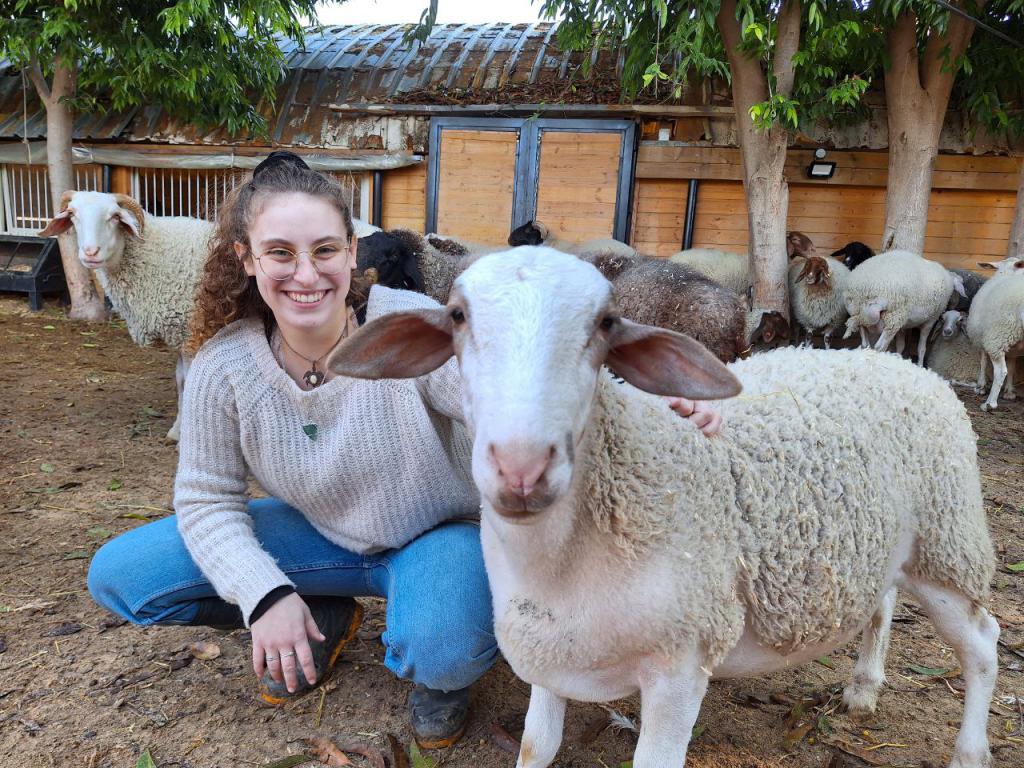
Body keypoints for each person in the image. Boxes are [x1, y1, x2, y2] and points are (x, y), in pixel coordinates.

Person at [87, 151, 722, 748]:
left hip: (432, 533)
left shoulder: (414, 326)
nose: (306, 274)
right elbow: (205, 499)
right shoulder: (221, 368)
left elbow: (504, 393)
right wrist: (264, 595)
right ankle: (317, 611)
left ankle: (441, 670)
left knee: (441, 644)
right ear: (247, 259)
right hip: (316, 537)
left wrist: (656, 400)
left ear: (351, 251)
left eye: (324, 250)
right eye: (280, 253)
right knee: (126, 578)